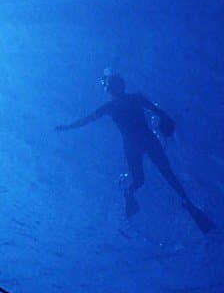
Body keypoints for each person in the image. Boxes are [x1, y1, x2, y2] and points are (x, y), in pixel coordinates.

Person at [56, 72, 214, 233]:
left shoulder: (134, 99)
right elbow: (87, 119)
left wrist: (166, 120)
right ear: (111, 89)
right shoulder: (111, 107)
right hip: (134, 145)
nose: (116, 89)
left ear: (119, 86)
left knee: (166, 173)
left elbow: (157, 110)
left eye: (117, 85)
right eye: (114, 86)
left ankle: (187, 203)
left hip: (145, 140)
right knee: (140, 180)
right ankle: (129, 193)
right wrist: (68, 127)